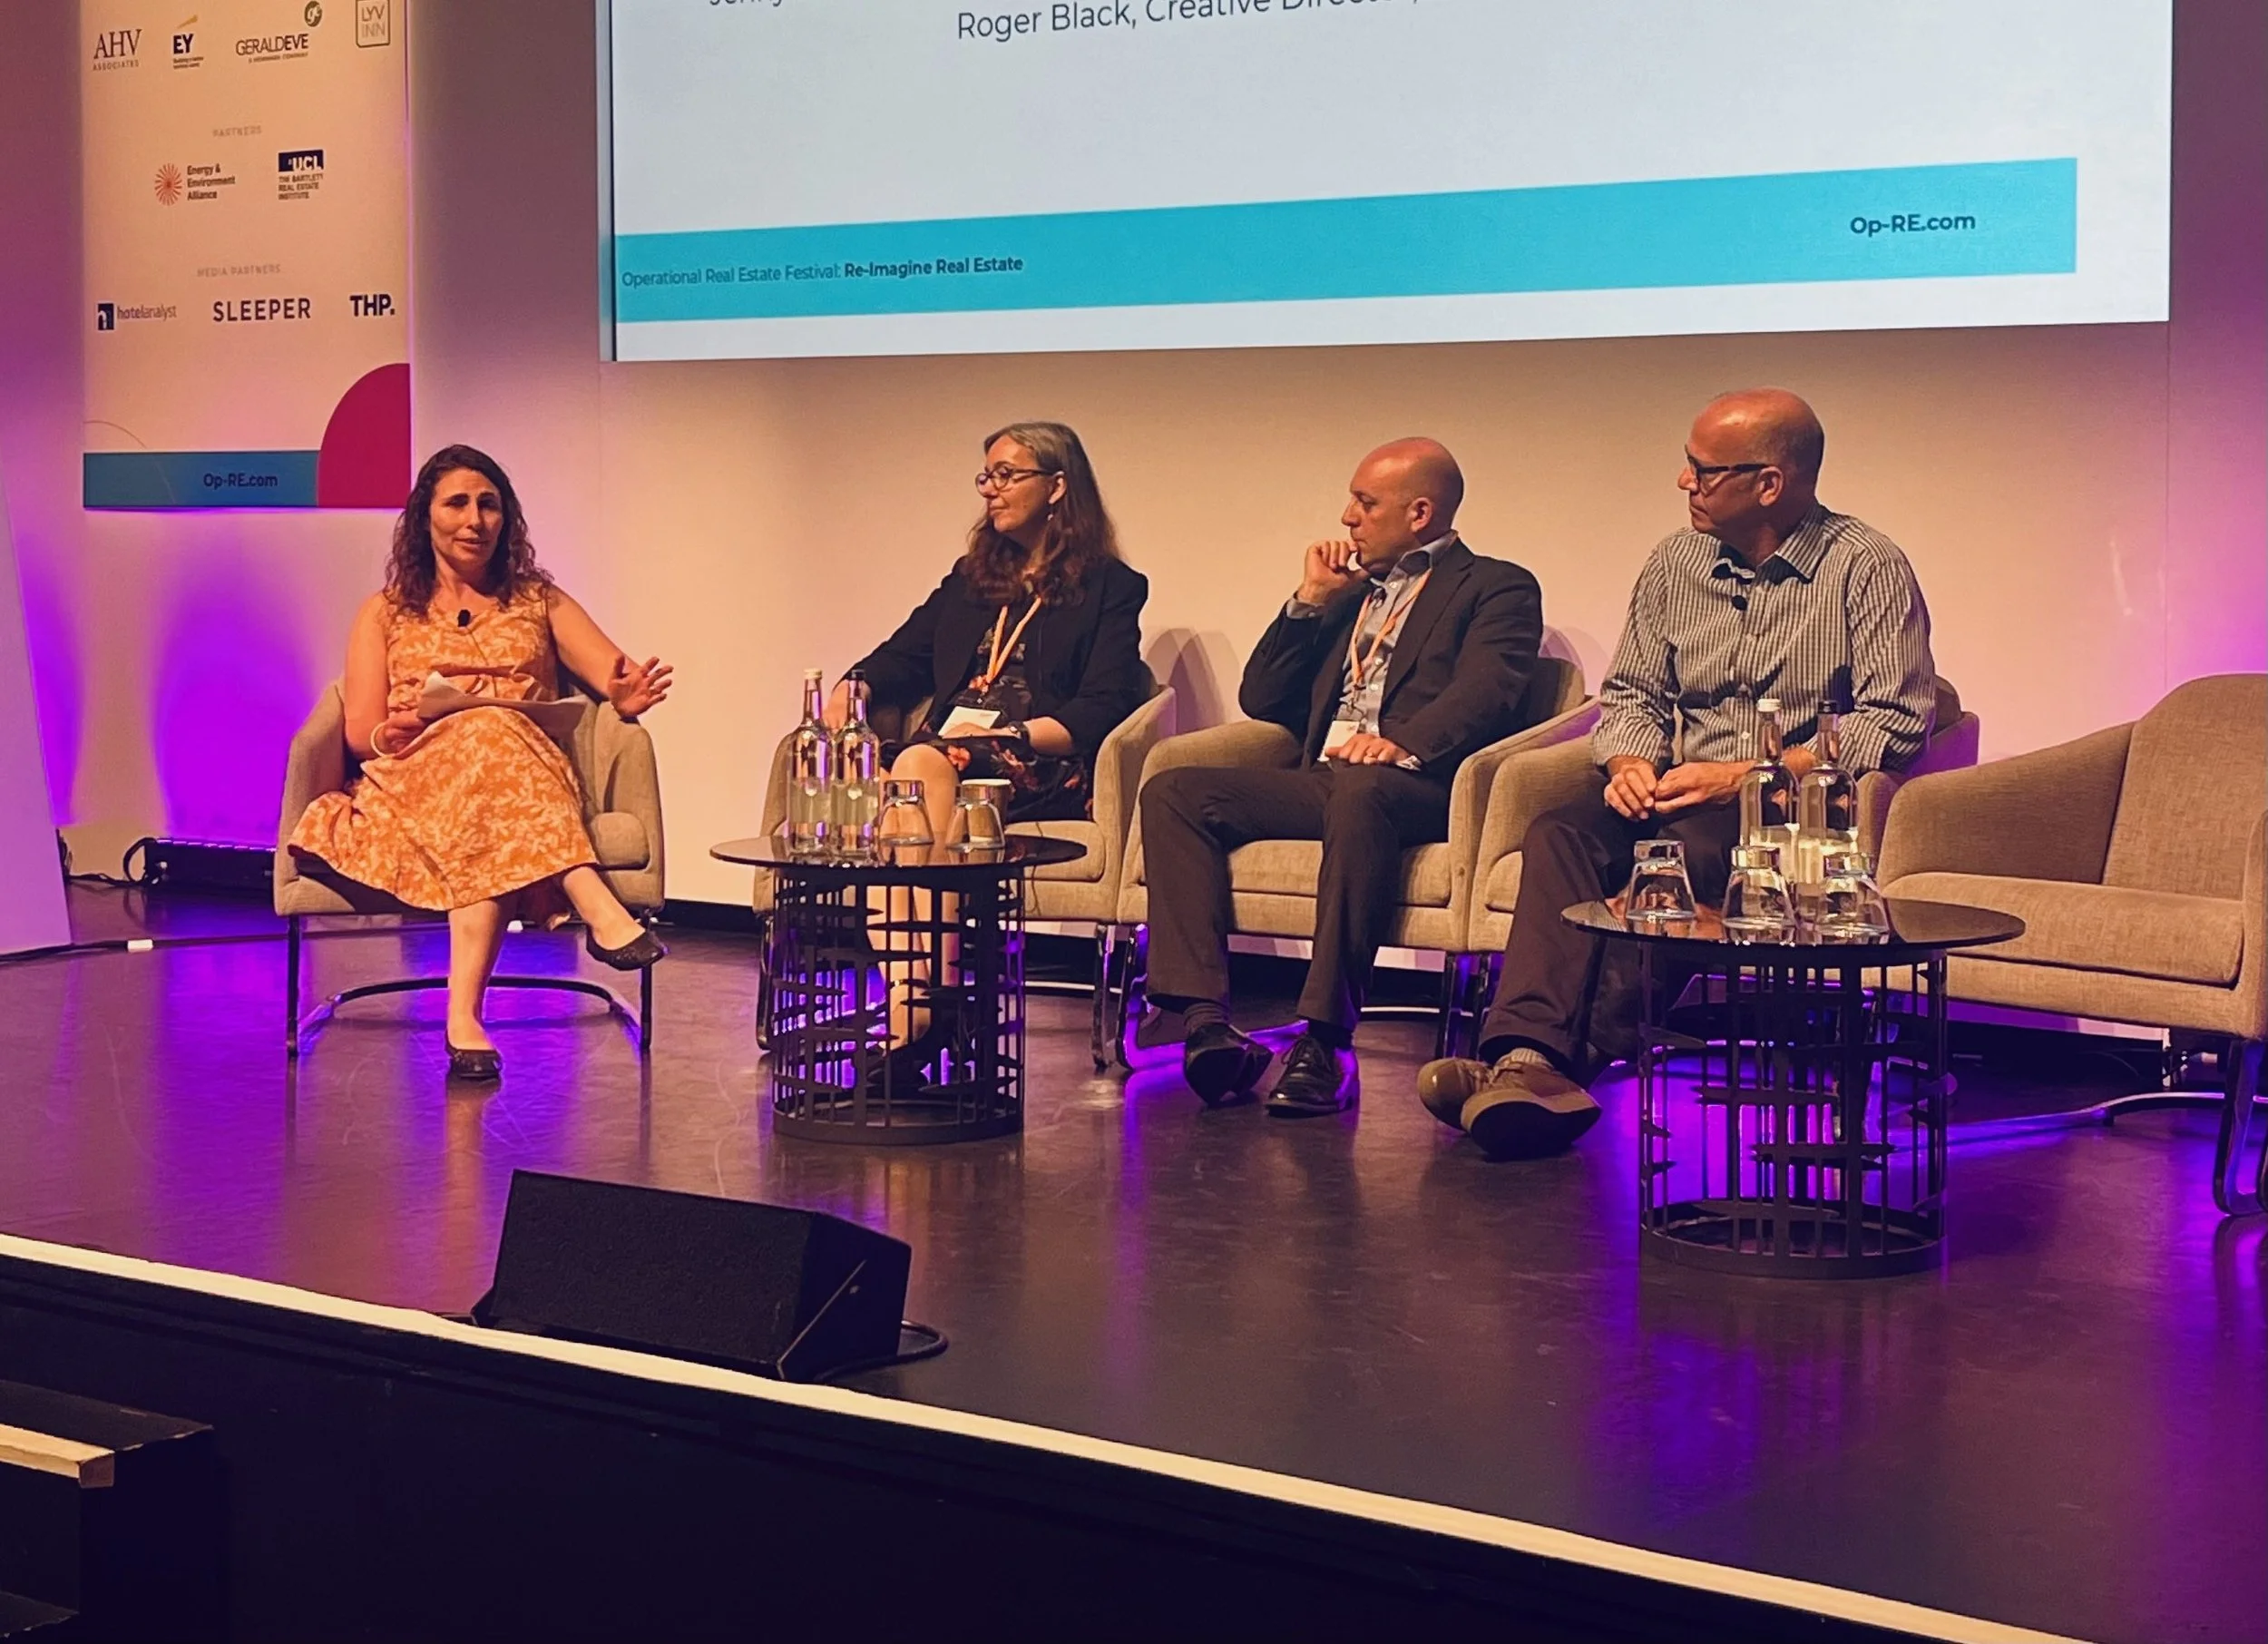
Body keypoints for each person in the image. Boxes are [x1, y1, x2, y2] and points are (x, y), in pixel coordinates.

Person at [1417, 388, 1937, 1160]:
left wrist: (1743, 775)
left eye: (1703, 470)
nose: (1684, 483)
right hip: (1669, 785)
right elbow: (1631, 695)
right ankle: (1526, 1060)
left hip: (1778, 810)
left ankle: (1550, 1066)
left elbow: (1892, 720)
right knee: (1559, 833)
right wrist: (1628, 760)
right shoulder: (1675, 563)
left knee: (1685, 859)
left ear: (1771, 482)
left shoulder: (1866, 567)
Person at [1137, 438, 1544, 1117]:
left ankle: (1327, 1041)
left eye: (1364, 502)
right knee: (1175, 791)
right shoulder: (1352, 595)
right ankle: (1204, 1021)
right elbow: (1264, 697)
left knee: (1361, 790)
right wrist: (1307, 602)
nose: (1347, 518)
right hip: (1329, 775)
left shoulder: (1495, 586)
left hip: (1417, 784)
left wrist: (1401, 744)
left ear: (1419, 513)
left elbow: (1490, 690)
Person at [289, 445, 673, 1082]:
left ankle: (463, 1017)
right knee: (486, 732)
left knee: (494, 736)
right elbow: (360, 734)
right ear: (425, 518)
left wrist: (625, 694)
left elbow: (616, 675)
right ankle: (597, 906)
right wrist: (397, 729)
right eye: (458, 504)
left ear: (507, 517)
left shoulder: (538, 600)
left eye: (489, 504)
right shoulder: (384, 611)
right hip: (416, 773)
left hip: (521, 777)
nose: (475, 520)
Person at [828, 420, 1149, 1081]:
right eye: (986, 476)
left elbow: (1106, 704)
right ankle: (925, 1012)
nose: (991, 491)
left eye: (1008, 475)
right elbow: (900, 656)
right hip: (952, 761)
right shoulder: (971, 582)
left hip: (1041, 762)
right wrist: (849, 686)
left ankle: (918, 1012)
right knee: (908, 780)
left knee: (914, 766)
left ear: (1058, 487)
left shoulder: (1110, 587)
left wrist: (1012, 736)